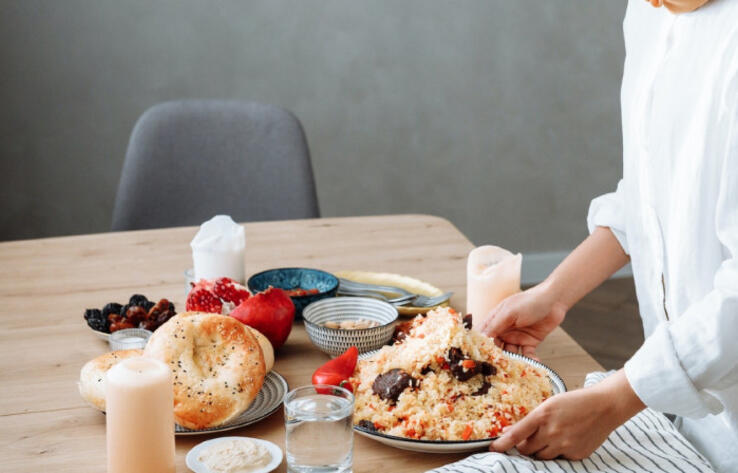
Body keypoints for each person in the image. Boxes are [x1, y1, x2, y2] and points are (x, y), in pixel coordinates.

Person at [480, 0, 738, 471]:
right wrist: (554, 293)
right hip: (681, 417)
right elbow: (648, 197)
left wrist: (614, 401)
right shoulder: (647, 13)